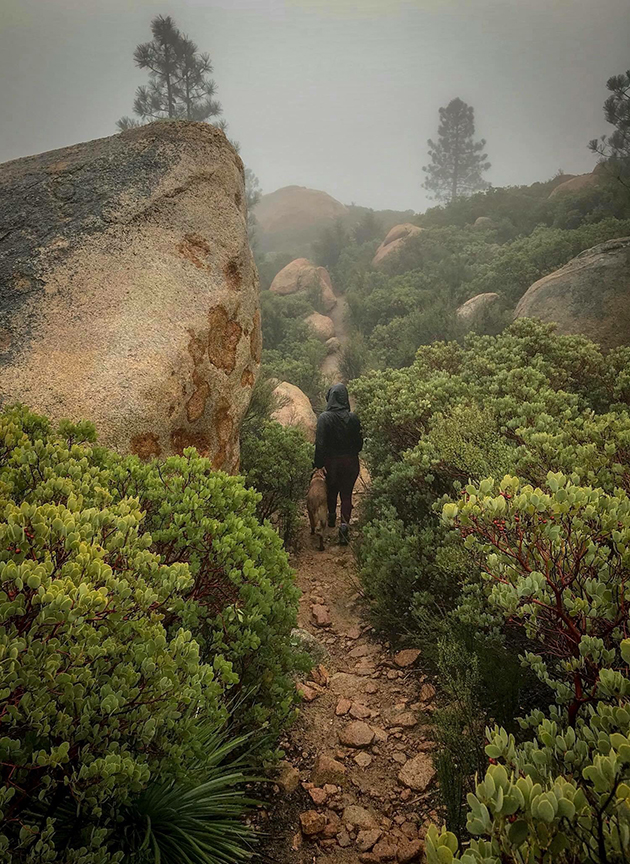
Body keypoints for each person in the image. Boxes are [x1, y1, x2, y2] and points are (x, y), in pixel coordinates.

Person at [313, 383, 363, 545]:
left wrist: (319, 464)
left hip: (331, 462)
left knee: (332, 491)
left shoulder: (324, 418)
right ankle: (344, 526)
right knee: (347, 494)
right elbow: (359, 444)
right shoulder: (353, 418)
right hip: (350, 462)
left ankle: (332, 516)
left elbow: (319, 444)